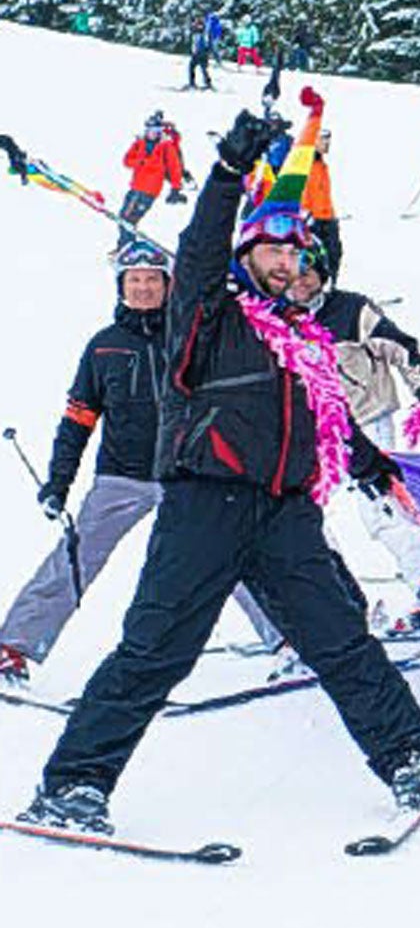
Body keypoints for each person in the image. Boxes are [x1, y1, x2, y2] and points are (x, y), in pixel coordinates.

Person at [15, 109, 420, 837]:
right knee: (155, 649)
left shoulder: (307, 341)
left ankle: (407, 757)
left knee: (340, 638)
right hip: (203, 505)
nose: (283, 263)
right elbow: (199, 247)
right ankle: (73, 785)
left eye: (293, 253)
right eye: (269, 250)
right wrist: (228, 172)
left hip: (285, 515)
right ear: (247, 255)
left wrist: (377, 471)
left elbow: (329, 423)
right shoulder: (208, 312)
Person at [0, 243, 284, 687]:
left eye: (153, 279)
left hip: (190, 473)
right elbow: (77, 420)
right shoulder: (103, 348)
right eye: (134, 280)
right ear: (121, 287)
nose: (144, 287)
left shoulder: (190, 336)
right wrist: (59, 482)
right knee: (76, 556)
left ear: (169, 285)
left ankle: (288, 640)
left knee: (229, 553)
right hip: (123, 475)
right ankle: (13, 647)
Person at [284, 238, 420, 622]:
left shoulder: (351, 309)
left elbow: (401, 349)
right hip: (313, 433)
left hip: (367, 419)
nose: (301, 282)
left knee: (380, 507)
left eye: (308, 272)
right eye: (293, 274)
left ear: (322, 273)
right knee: (303, 516)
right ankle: (338, 598)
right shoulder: (278, 320)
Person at [118, 112, 186, 245]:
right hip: (135, 188)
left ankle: (126, 246)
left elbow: (174, 168)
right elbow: (127, 161)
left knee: (128, 219)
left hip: (149, 191)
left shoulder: (166, 146)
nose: (153, 133)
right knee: (124, 219)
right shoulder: (139, 143)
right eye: (150, 130)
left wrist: (175, 188)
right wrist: (140, 161)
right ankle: (125, 246)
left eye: (156, 130)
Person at [305, 126, 342, 280]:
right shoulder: (306, 164)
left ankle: (330, 288)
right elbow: (303, 191)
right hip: (314, 220)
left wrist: (332, 216)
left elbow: (323, 193)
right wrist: (307, 215)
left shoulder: (321, 165)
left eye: (328, 140)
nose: (327, 144)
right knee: (316, 258)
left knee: (334, 253)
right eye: (323, 140)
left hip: (327, 217)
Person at [185, 19, 214, 91]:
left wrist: (208, 52)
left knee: (204, 69)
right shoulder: (194, 33)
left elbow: (209, 43)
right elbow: (193, 43)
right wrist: (192, 51)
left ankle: (208, 83)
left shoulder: (205, 34)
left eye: (200, 26)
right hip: (195, 54)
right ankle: (192, 83)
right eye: (197, 25)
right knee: (191, 67)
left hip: (203, 54)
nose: (198, 27)